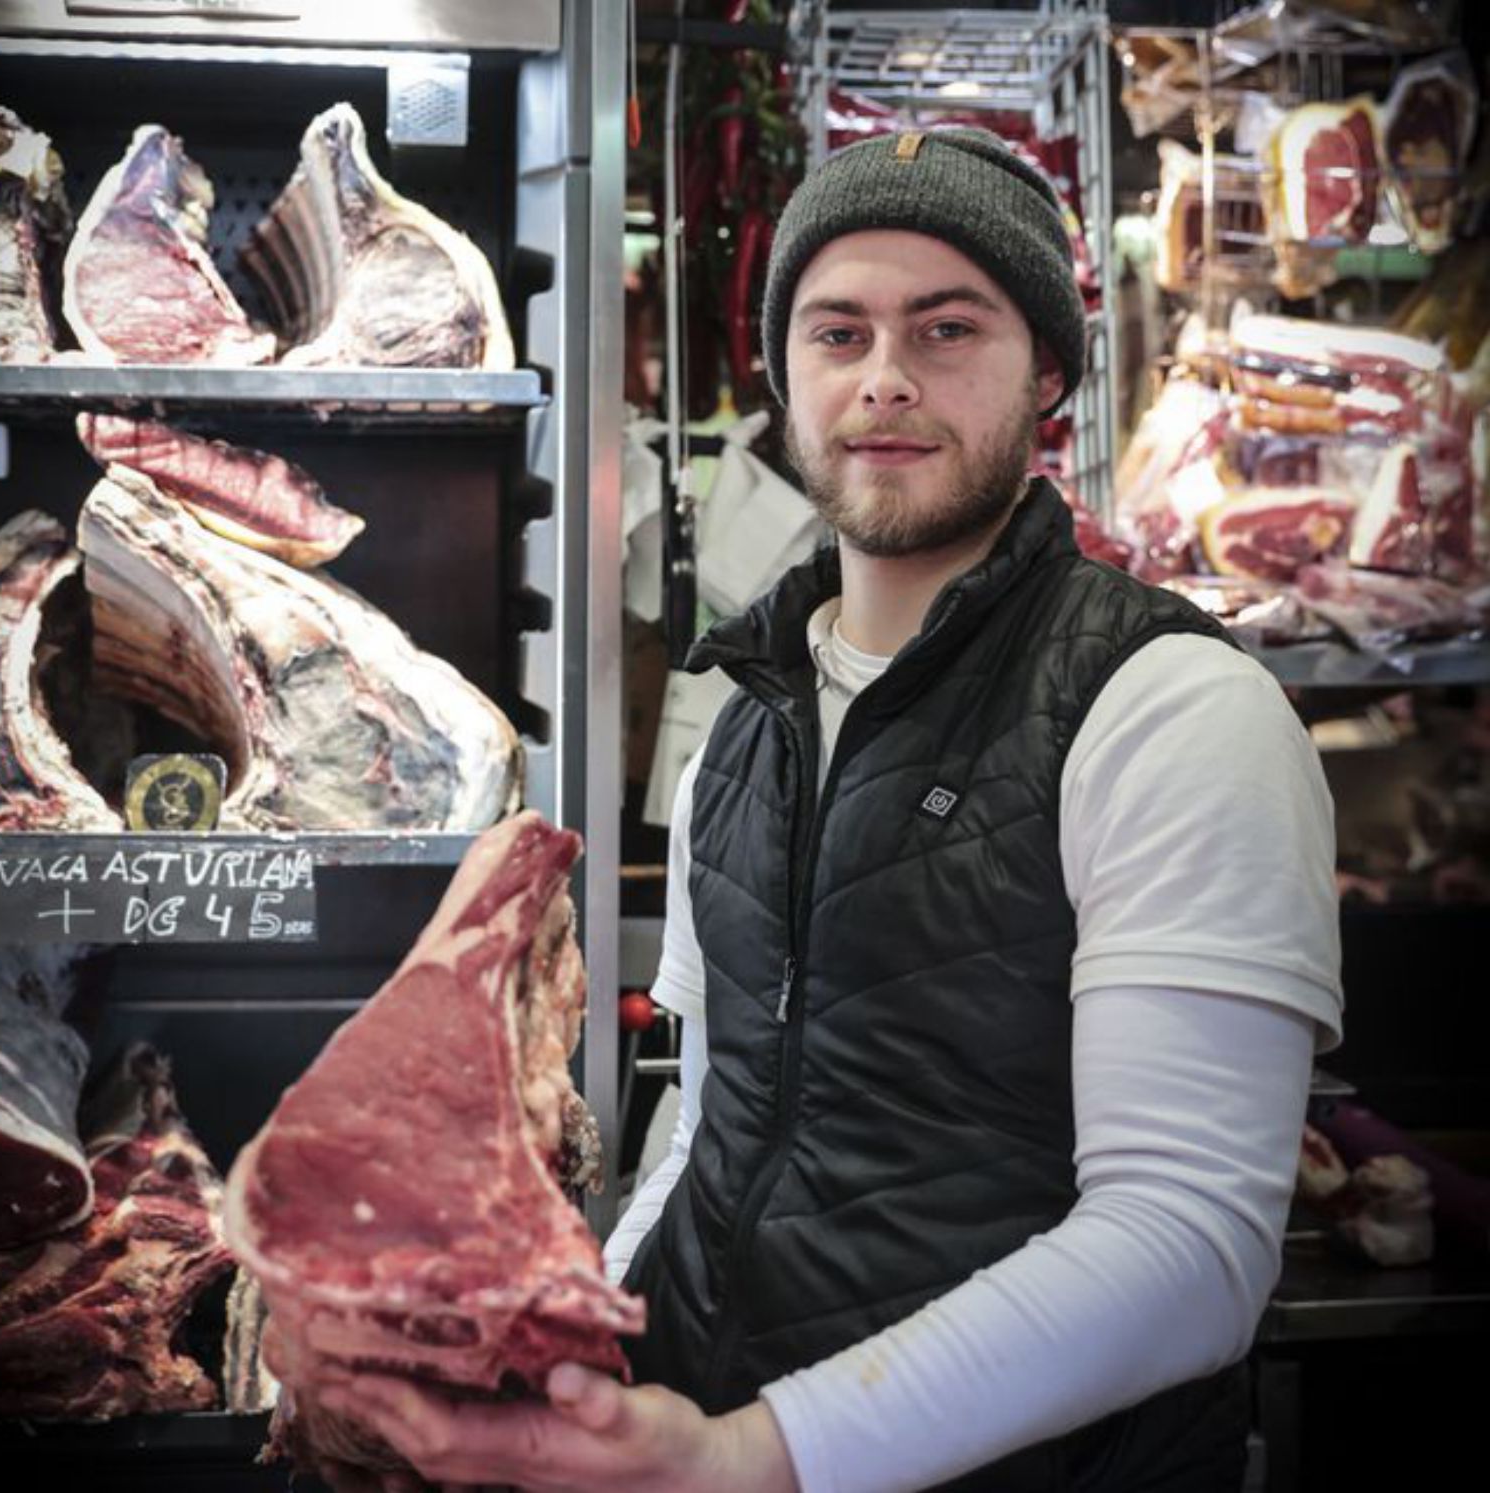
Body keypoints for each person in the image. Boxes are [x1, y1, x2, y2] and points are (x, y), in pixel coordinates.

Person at [306, 128, 1343, 1493]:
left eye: (948, 327)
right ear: (784, 378)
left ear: (1047, 375)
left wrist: (763, 1453)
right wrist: (587, 1361)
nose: (885, 378)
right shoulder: (742, 720)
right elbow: (705, 1121)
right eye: (836, 332)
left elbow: (1189, 1247)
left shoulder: (1171, 710)